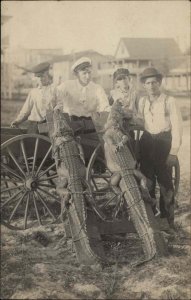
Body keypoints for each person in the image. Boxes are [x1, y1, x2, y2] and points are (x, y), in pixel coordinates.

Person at [138, 67, 183, 230]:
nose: (151, 86)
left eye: (154, 82)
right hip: (147, 142)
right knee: (147, 182)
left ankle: (168, 222)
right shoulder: (142, 102)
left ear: (160, 83)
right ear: (144, 85)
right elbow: (139, 124)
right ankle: (152, 220)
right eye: (148, 83)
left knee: (165, 184)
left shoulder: (169, 101)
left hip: (164, 143)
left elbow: (177, 127)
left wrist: (173, 152)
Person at [10, 62, 57, 133]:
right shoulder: (33, 92)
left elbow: (60, 107)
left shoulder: (55, 90)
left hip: (49, 126)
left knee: (48, 143)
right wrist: (17, 121)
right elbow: (26, 110)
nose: (41, 79)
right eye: (38, 77)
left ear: (47, 75)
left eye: (43, 76)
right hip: (34, 126)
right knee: (30, 143)